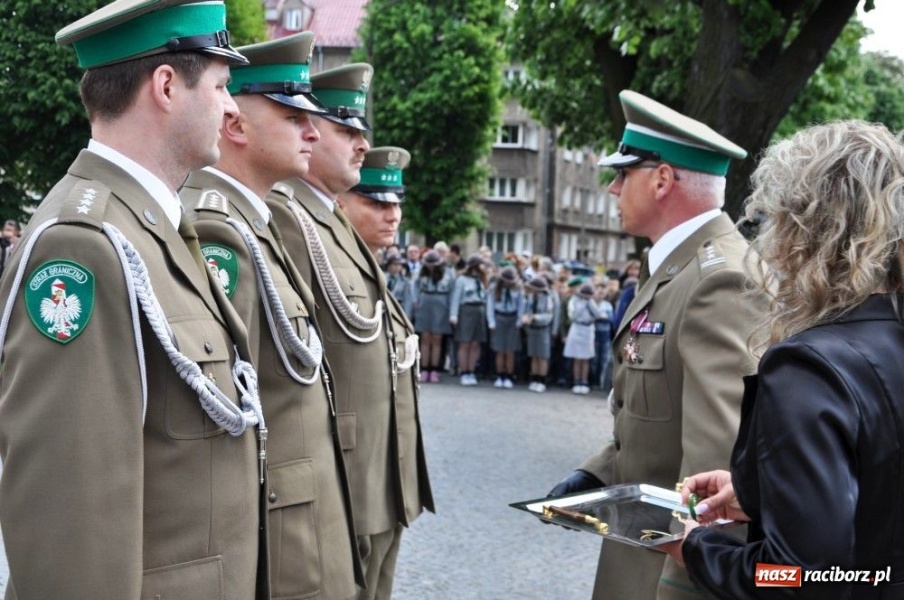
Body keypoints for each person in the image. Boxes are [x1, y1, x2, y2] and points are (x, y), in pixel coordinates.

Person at [0, 2, 267, 598]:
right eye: (222, 86)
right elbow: (70, 519)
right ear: (167, 86)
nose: (230, 108)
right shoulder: (83, 245)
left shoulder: (154, 225)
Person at [667, 121, 904, 597]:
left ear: (802, 229)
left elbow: (802, 578)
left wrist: (697, 549)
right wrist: (758, 496)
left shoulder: (808, 367)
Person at [548, 90, 765, 600]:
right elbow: (655, 418)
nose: (611, 187)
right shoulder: (675, 269)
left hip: (666, 573)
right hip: (641, 549)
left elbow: (718, 462)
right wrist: (596, 471)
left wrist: (686, 585)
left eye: (624, 174)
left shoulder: (717, 280)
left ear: (663, 179)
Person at [178, 32, 365, 599]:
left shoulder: (255, 223)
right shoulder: (220, 232)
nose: (314, 130)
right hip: (279, 535)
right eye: (292, 117)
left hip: (304, 516)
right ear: (236, 126)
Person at [265, 72, 433, 599]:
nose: (363, 142)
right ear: (309, 132)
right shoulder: (290, 219)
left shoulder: (328, 224)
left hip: (377, 475)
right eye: (346, 128)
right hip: (342, 476)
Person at [413, 249, 454, 383]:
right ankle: (424, 368)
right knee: (425, 338)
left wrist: (451, 311)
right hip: (425, 302)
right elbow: (414, 286)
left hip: (441, 304)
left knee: (437, 338)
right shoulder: (420, 272)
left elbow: (452, 292)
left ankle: (435, 369)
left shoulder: (447, 272)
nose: (431, 266)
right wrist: (416, 301)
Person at [449, 253, 489, 385]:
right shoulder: (462, 279)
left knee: (475, 343)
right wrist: (454, 315)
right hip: (466, 310)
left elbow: (486, 297)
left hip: (480, 310)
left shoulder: (482, 279)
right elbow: (456, 297)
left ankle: (472, 371)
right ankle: (464, 371)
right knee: (465, 342)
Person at [487, 265, 523, 388]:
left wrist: (519, 321)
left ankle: (508, 375)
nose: (508, 282)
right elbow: (490, 306)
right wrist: (491, 322)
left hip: (512, 319)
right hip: (499, 317)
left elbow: (521, 306)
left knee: (510, 351)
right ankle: (499, 375)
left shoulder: (518, 289)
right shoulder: (494, 288)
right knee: (499, 350)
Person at [521, 274, 559, 392]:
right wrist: (525, 318)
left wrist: (534, 317)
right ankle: (534, 379)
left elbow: (549, 316)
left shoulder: (548, 298)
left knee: (542, 356)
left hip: (543, 329)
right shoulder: (531, 297)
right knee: (534, 355)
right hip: (532, 329)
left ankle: (541, 380)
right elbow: (527, 309)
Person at [563, 282, 602, 394]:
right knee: (577, 357)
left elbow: (598, 314)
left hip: (588, 328)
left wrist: (589, 303)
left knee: (585, 358)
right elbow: (573, 315)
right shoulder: (574, 301)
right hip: (577, 327)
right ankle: (576, 381)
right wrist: (583, 304)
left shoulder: (591, 302)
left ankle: (583, 382)